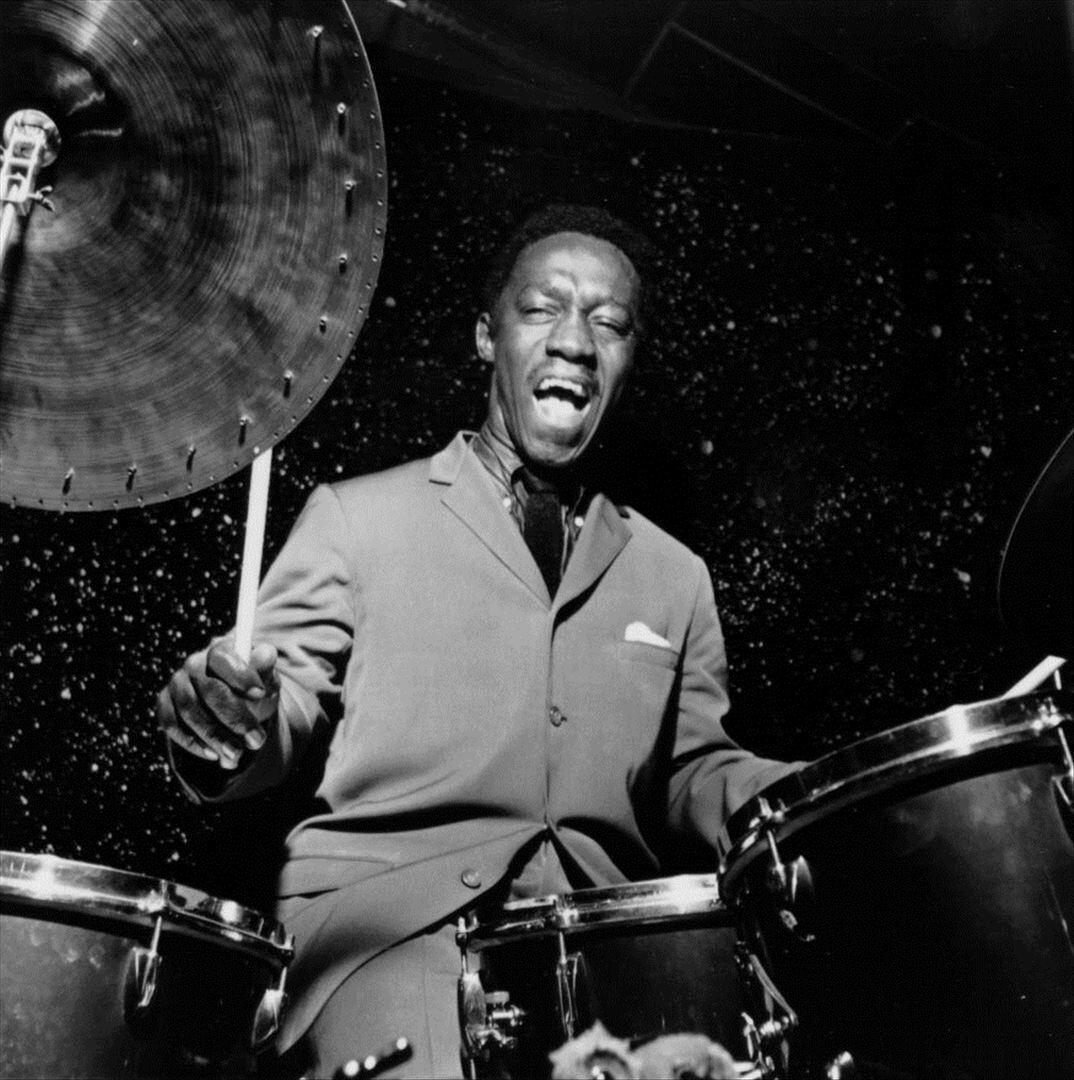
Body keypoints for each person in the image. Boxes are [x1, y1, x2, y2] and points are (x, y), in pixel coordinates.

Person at [157, 204, 795, 1078]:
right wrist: (226, 720)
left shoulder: (675, 574)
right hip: (388, 936)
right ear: (487, 338)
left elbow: (695, 769)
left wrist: (816, 799)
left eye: (609, 324)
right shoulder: (356, 518)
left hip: (602, 957)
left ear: (629, 361)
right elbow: (281, 706)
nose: (575, 341)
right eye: (541, 309)